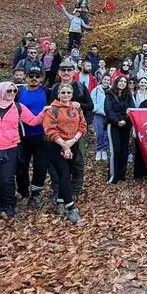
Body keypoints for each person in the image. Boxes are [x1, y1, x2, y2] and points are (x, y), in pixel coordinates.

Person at [0, 82, 45, 219]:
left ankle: (9, 206)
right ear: (0, 91)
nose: (12, 93)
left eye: (14, 91)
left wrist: (45, 111)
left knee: (7, 179)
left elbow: (33, 121)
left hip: (10, 147)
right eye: (9, 90)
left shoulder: (18, 107)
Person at [42, 83, 87, 223]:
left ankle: (60, 201)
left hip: (72, 144)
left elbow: (82, 125)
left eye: (68, 92)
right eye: (63, 92)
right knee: (64, 174)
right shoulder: (52, 109)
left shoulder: (76, 109)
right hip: (56, 146)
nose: (66, 95)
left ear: (72, 94)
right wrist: (64, 145)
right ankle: (71, 208)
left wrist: (72, 142)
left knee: (68, 173)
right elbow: (50, 130)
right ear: (58, 94)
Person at [49, 60, 94, 199]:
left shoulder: (80, 87)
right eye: (63, 70)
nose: (66, 73)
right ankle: (57, 189)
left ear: (74, 72)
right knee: (55, 162)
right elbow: (49, 106)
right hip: (58, 131)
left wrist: (79, 105)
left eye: (69, 70)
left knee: (78, 160)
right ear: (59, 72)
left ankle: (75, 189)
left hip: (77, 132)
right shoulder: (55, 87)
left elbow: (90, 105)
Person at [16, 66, 50, 208]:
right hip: (22, 136)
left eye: (37, 76)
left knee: (40, 166)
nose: (34, 79)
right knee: (21, 167)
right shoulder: (18, 92)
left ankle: (36, 193)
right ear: (26, 77)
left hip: (41, 135)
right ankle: (24, 193)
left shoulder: (47, 92)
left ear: (41, 78)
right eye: (31, 76)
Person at [105, 75, 134, 184]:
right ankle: (113, 176)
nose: (122, 83)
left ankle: (122, 174)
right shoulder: (109, 95)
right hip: (114, 126)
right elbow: (108, 110)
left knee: (124, 151)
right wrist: (117, 121)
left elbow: (132, 109)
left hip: (125, 126)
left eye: (124, 82)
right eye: (120, 81)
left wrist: (125, 120)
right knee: (115, 150)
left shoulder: (128, 95)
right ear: (116, 82)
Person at [91, 74, 111, 161]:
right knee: (99, 134)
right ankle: (99, 149)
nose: (106, 81)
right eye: (105, 79)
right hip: (98, 114)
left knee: (106, 134)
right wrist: (97, 109)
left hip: (108, 115)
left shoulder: (111, 90)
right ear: (102, 80)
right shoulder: (96, 90)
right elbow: (93, 102)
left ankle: (104, 150)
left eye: (108, 80)